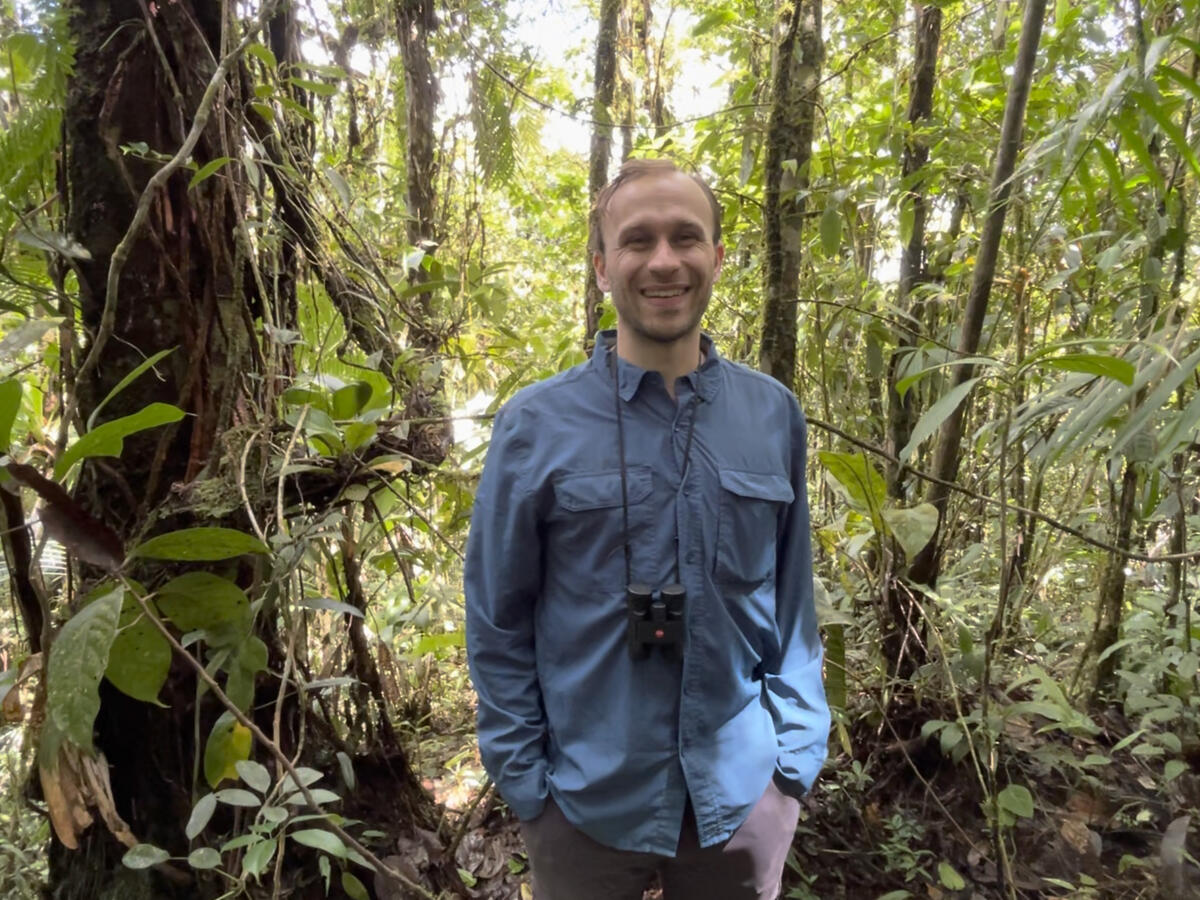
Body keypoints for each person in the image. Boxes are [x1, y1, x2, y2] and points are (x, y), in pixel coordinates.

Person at [465, 157, 829, 900]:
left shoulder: (771, 414)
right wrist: (528, 786)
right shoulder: (536, 424)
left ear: (718, 258)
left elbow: (793, 606)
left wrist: (792, 769)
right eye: (637, 241)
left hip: (741, 801)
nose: (664, 261)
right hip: (583, 803)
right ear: (603, 266)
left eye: (686, 238)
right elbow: (496, 615)